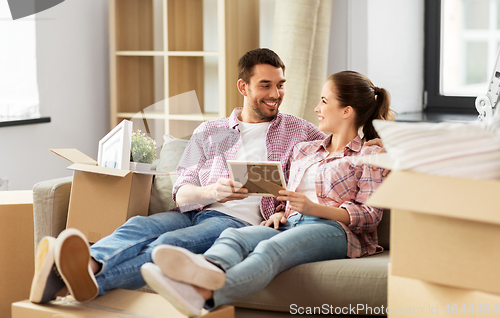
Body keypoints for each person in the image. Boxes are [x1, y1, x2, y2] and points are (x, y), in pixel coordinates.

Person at [29, 48, 327, 304]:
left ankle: (74, 279)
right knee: (137, 226)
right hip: (193, 211)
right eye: (266, 85)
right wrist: (213, 192)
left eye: (280, 85)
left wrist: (371, 140)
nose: (276, 95)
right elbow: (182, 191)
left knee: (167, 245)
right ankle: (88, 265)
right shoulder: (209, 132)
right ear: (244, 87)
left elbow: (336, 149)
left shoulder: (299, 131)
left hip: (236, 223)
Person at [139, 70, 395, 317]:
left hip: (335, 229)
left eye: (324, 101)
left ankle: (203, 295)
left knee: (271, 249)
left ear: (346, 111)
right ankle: (204, 271)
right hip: (292, 224)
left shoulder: (369, 156)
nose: (317, 108)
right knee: (234, 236)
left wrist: (313, 209)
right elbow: (292, 196)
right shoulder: (305, 150)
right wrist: (282, 212)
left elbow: (370, 215)